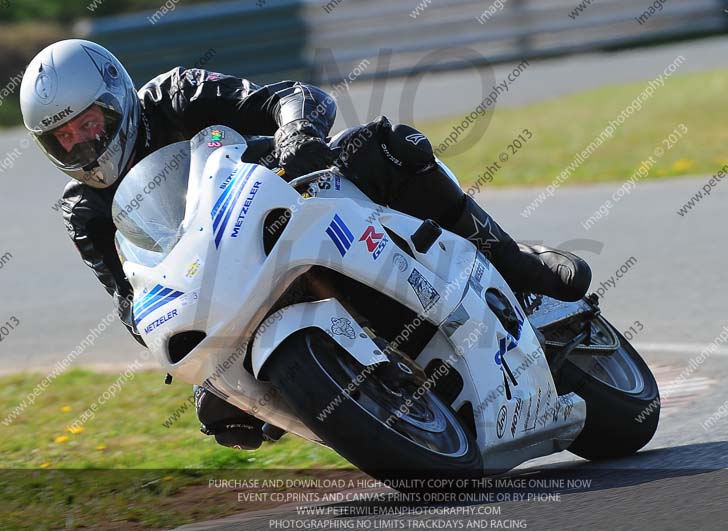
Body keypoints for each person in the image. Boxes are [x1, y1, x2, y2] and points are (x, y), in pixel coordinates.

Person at [20, 39, 591, 450]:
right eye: (62, 138)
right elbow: (129, 299)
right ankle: (320, 403)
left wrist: (296, 132)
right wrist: (207, 375)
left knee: (389, 146)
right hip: (221, 285)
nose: (81, 144)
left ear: (115, 99)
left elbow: (288, 96)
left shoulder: (175, 95)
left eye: (88, 123)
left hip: (292, 197)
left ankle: (515, 266)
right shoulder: (84, 211)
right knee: (218, 408)